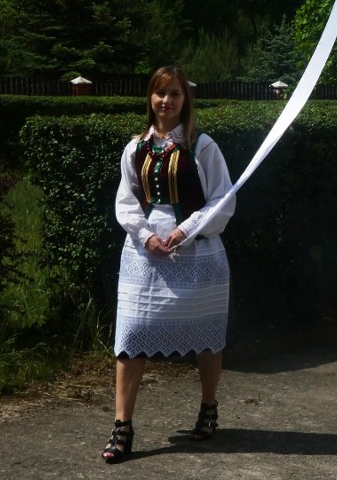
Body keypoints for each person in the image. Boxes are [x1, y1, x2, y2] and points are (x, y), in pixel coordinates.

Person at [102, 66, 235, 463]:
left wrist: (184, 231)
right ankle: (122, 425)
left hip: (197, 249)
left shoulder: (203, 146)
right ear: (150, 98)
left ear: (185, 100)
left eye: (175, 94)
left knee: (205, 331)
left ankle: (208, 408)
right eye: (161, 94)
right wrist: (146, 235)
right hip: (144, 252)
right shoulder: (135, 147)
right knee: (130, 332)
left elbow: (223, 199)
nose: (167, 101)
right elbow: (126, 200)